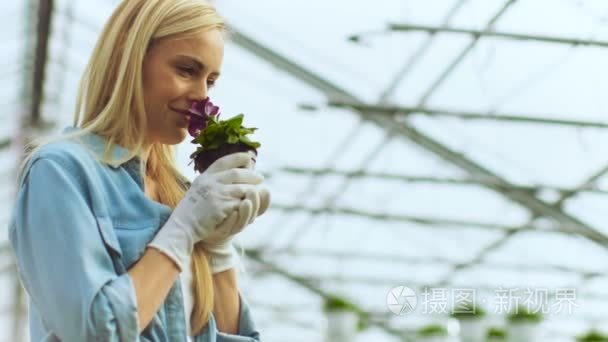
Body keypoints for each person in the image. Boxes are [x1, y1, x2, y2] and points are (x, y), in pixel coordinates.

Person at [8, 0, 270, 340]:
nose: (201, 96)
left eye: (211, 81)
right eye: (186, 70)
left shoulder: (183, 194)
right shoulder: (62, 173)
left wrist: (219, 252)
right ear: (128, 59)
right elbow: (92, 333)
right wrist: (181, 233)